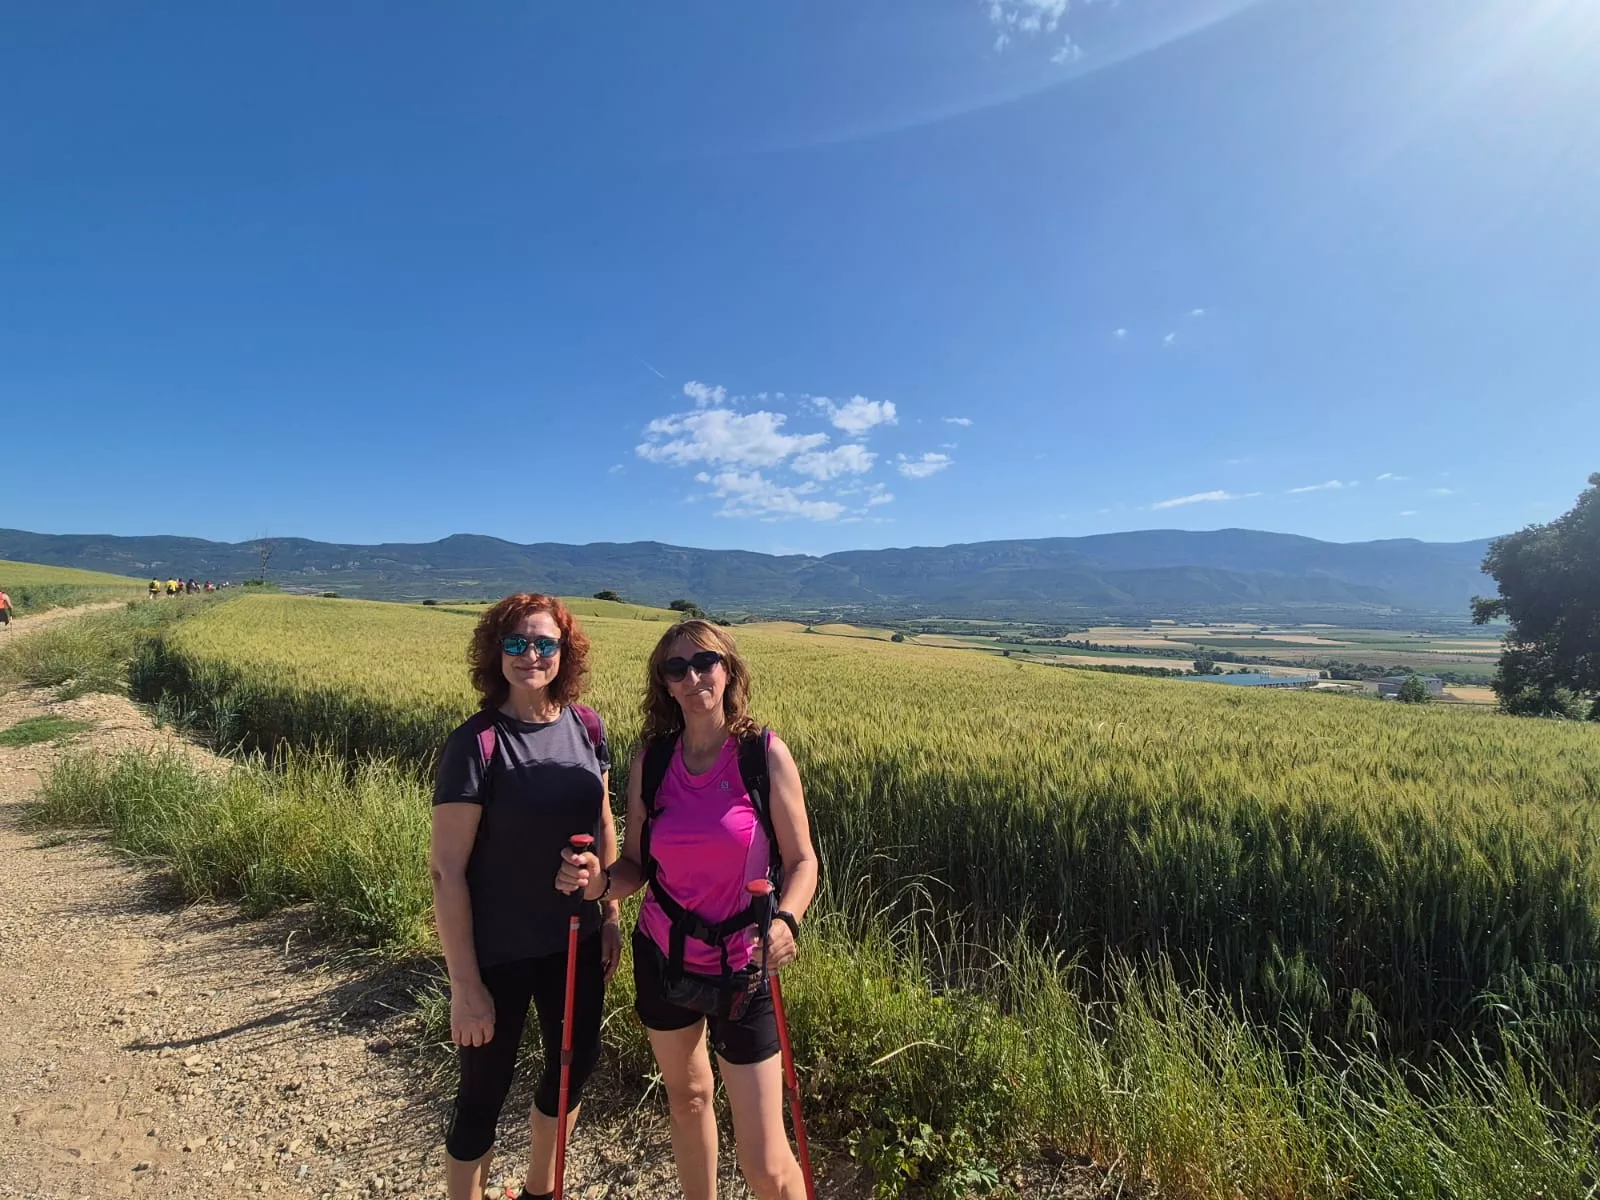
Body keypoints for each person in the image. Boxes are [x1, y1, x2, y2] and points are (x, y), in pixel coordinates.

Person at [561, 620, 819, 1200]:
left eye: (705, 662)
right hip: (664, 954)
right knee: (689, 1100)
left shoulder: (762, 755)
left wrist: (787, 921)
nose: (693, 676)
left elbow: (803, 861)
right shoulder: (653, 761)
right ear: (665, 683)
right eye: (676, 668)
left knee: (766, 1162)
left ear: (728, 670)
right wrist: (599, 886)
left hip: (744, 967)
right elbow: (635, 866)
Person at [429, 594, 622, 1200]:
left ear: (565, 653)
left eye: (544, 643)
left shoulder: (588, 727)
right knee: (483, 1091)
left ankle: (541, 1190)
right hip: (500, 949)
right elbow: (446, 873)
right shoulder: (477, 743)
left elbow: (604, 822)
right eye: (515, 642)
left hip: (575, 941)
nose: (530, 655)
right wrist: (465, 986)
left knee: (573, 1070)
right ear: (496, 651)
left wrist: (611, 911)